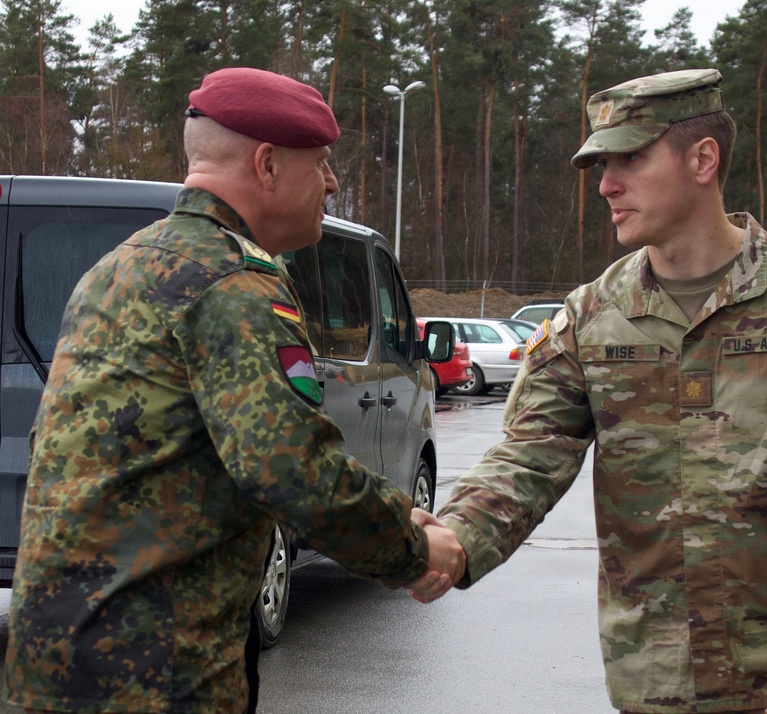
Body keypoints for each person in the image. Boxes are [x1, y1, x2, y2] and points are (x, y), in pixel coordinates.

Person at [412, 69, 767, 714]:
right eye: (601, 165)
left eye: (630, 159)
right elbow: (531, 454)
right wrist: (456, 536)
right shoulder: (593, 315)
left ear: (703, 158)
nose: (606, 185)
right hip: (656, 678)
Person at [2, 67, 463, 713]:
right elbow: (289, 467)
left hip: (56, 655)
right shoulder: (232, 285)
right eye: (323, 163)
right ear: (269, 165)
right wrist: (413, 549)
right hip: (153, 669)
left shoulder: (118, 267)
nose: (332, 182)